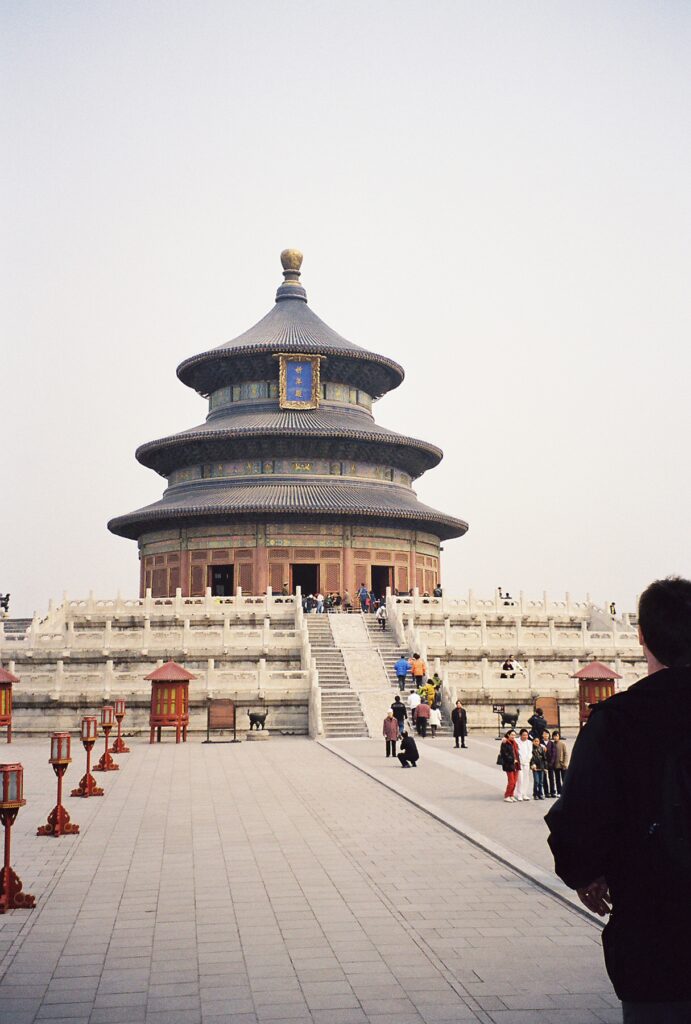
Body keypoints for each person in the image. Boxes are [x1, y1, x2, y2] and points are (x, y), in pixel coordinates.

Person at [546, 576, 691, 1019]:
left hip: (655, 934)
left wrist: (585, 872)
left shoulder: (617, 721)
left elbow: (580, 813)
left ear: (641, 635)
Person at [499, 729, 520, 801]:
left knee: (514, 782)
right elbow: (504, 754)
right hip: (509, 764)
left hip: (516, 764)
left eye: (514, 735)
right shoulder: (505, 743)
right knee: (511, 782)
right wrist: (512, 760)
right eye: (512, 735)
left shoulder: (515, 743)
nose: (513, 736)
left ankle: (511, 795)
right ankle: (507, 795)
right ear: (508, 735)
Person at [515, 728, 532, 801]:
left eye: (526, 735)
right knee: (520, 779)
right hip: (519, 763)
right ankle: (519, 794)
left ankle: (525, 794)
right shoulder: (516, 741)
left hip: (527, 762)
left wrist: (528, 759)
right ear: (520, 735)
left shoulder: (529, 742)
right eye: (524, 735)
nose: (525, 736)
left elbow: (530, 752)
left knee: (526, 779)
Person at [543, 729, 558, 797]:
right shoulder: (540, 743)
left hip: (550, 763)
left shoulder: (551, 743)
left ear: (549, 735)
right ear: (542, 735)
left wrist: (551, 762)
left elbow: (554, 753)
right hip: (543, 764)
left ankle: (553, 792)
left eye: (547, 734)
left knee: (551, 778)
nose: (546, 735)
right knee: (544, 779)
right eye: (544, 734)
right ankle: (546, 792)